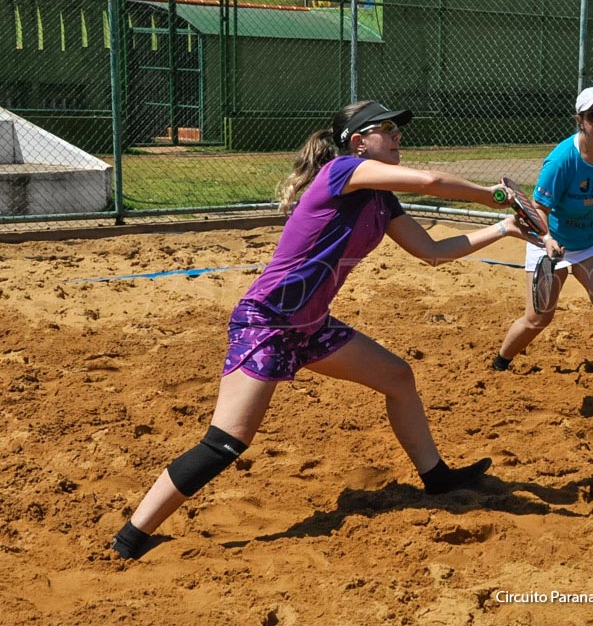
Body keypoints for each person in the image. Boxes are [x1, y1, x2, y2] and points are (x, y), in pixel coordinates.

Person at [112, 100, 535, 560]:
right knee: (225, 443)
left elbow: (430, 250)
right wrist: (495, 194)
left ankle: (437, 478)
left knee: (397, 377)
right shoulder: (341, 171)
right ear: (358, 142)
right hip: (268, 322)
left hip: (310, 326)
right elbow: (431, 182)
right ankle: (131, 536)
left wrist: (504, 226)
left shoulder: (380, 198)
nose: (398, 136)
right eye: (387, 129)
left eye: (398, 129)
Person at [492, 86, 593, 397]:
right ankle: (500, 363)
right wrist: (547, 239)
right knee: (538, 318)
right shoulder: (562, 160)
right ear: (580, 120)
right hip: (552, 240)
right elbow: (538, 208)